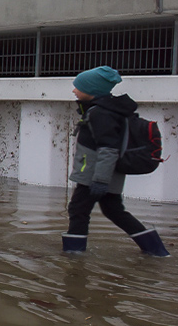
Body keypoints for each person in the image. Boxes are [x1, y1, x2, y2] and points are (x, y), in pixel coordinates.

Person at [63, 66, 169, 256]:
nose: (74, 90)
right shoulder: (104, 110)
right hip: (103, 174)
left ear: (91, 90)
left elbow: (109, 149)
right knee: (114, 211)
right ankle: (155, 250)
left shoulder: (99, 114)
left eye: (77, 87)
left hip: (94, 176)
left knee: (78, 209)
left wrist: (100, 181)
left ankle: (73, 254)